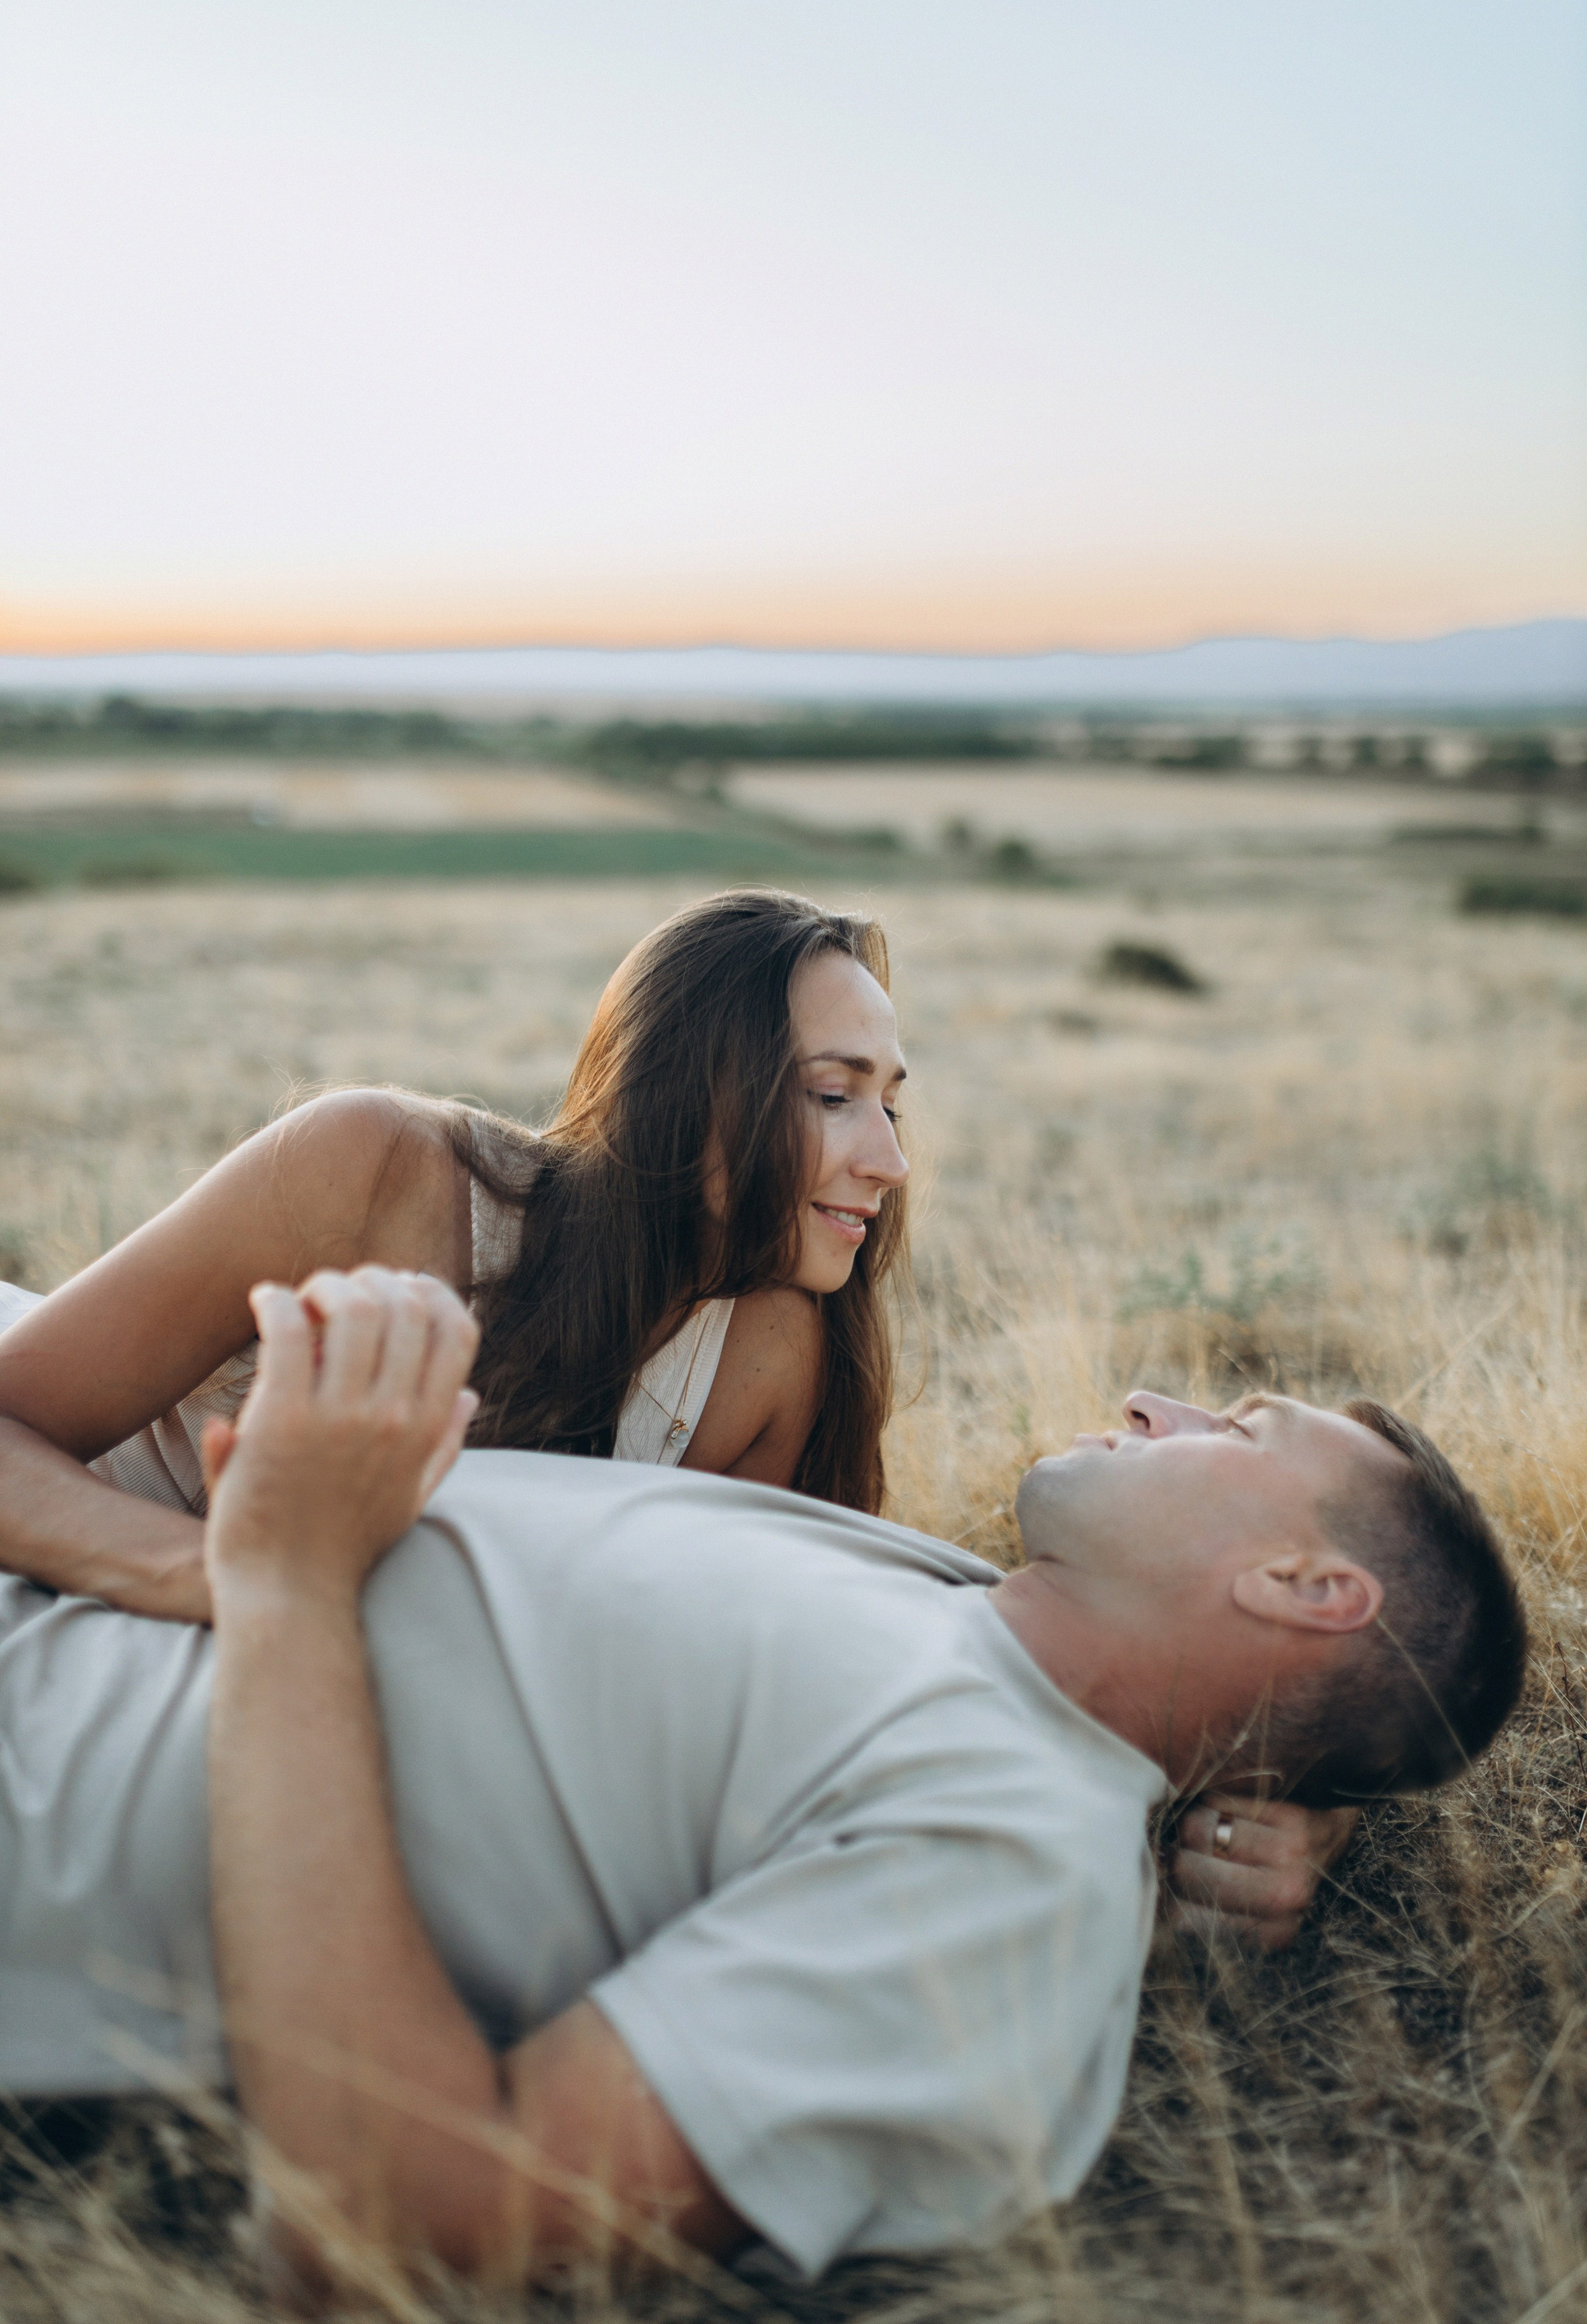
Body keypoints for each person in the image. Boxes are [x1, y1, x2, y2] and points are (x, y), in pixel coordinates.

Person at [0, 1268, 1526, 2295]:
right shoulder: (966, 1613)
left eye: (1240, 1428)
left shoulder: (1009, 1877)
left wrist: (290, 1577)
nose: (1151, 1402)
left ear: (1306, 1586)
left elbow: (400, 2214)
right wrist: (1290, 1797)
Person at [0, 889, 909, 1623]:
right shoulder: (372, 1167)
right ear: (681, 1093)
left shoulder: (777, 1350)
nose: (891, 1163)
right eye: (833, 1095)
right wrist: (222, 1580)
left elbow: (751, 1655)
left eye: (890, 1105)